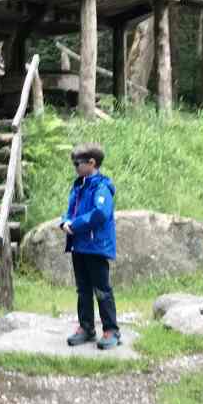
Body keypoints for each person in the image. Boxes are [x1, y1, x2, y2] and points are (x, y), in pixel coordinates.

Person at [61, 142, 120, 350]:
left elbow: (100, 213)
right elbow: (70, 209)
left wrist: (74, 225)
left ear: (92, 163)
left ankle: (111, 330)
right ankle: (86, 328)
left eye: (78, 163)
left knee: (102, 290)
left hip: (96, 247)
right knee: (83, 289)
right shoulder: (78, 185)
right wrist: (64, 221)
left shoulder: (101, 187)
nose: (75, 167)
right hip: (79, 246)